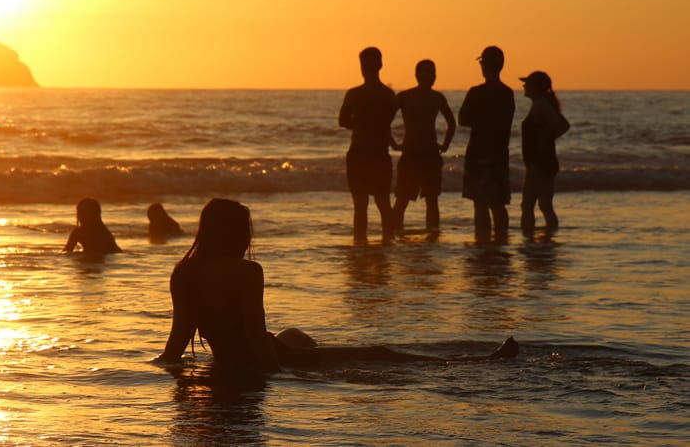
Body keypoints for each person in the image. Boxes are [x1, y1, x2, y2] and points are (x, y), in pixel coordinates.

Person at [154, 198, 518, 373]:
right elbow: (253, 335)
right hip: (269, 358)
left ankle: (314, 350)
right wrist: (281, 377)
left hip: (235, 359)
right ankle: (478, 363)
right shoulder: (247, 272)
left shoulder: (184, 272)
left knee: (295, 332)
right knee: (380, 354)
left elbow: (175, 343)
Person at [390, 60, 456, 235]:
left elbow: (452, 123)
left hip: (430, 155)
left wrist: (446, 144)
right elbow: (385, 120)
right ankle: (394, 233)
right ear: (417, 75)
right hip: (412, 154)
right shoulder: (404, 96)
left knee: (431, 200)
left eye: (433, 73)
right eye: (428, 73)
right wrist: (393, 143)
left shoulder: (437, 97)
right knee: (402, 199)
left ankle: (432, 235)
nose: (432, 77)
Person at [338, 47, 397, 243]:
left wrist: (361, 123)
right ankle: (388, 242)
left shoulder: (354, 94)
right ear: (381, 65)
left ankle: (360, 244)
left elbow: (343, 121)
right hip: (379, 153)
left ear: (362, 67)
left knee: (360, 205)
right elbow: (387, 123)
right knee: (383, 202)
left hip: (359, 153)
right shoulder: (389, 95)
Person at [459, 46, 515, 244]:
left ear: (484, 65)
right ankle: (501, 240)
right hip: (499, 153)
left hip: (477, 153)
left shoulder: (476, 92)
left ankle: (482, 241)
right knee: (498, 204)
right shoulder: (508, 93)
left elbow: (463, 119)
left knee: (480, 204)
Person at [519, 71, 570, 235]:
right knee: (544, 205)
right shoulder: (541, 104)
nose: (524, 85)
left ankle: (529, 239)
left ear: (537, 87)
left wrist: (544, 139)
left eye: (528, 83)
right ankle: (549, 238)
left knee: (527, 204)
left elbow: (560, 124)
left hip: (539, 163)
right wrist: (548, 138)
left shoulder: (540, 105)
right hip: (544, 162)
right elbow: (562, 124)